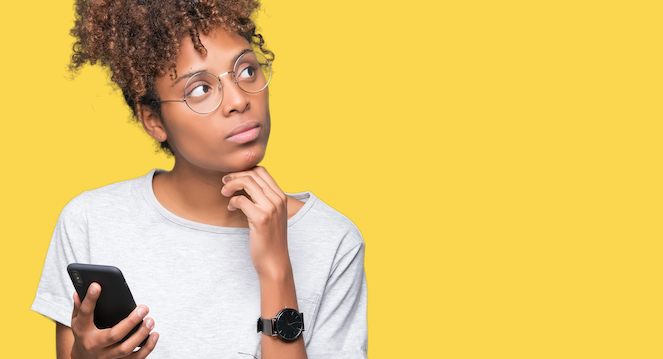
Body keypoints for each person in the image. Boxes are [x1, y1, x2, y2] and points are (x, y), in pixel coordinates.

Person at [31, 1, 367, 358]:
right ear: (153, 121)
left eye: (247, 71)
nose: (239, 100)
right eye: (200, 89)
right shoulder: (90, 221)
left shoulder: (334, 241)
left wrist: (276, 270)